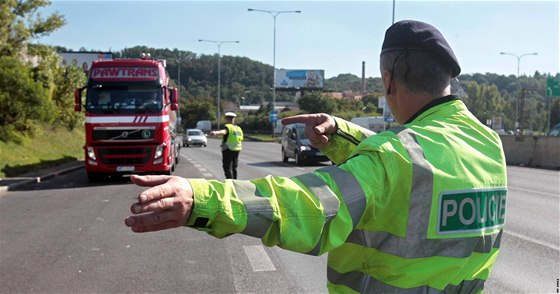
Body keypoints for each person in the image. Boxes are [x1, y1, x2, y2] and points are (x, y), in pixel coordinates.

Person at [124, 20, 507, 293]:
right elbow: (409, 174)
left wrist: (201, 200)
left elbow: (311, 209)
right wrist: (341, 135)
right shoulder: (487, 142)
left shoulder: (394, 159)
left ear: (388, 79)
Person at [208, 112, 244, 179]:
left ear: (227, 118)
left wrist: (215, 133)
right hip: (237, 150)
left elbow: (224, 132)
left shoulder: (228, 127)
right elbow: (241, 139)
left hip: (228, 149)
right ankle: (235, 182)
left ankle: (230, 183)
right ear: (234, 119)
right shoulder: (238, 129)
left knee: (227, 167)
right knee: (234, 167)